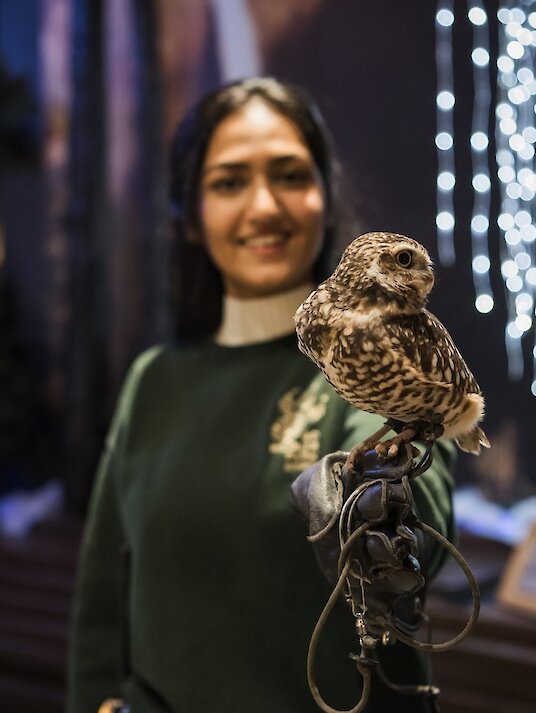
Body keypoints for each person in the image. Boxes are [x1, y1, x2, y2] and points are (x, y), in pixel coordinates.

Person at [67, 76, 456, 713]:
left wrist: (385, 508)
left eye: (290, 175)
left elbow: (420, 508)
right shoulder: (153, 379)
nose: (264, 207)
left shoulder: (379, 353)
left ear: (326, 198)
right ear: (189, 215)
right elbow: (102, 602)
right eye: (228, 182)